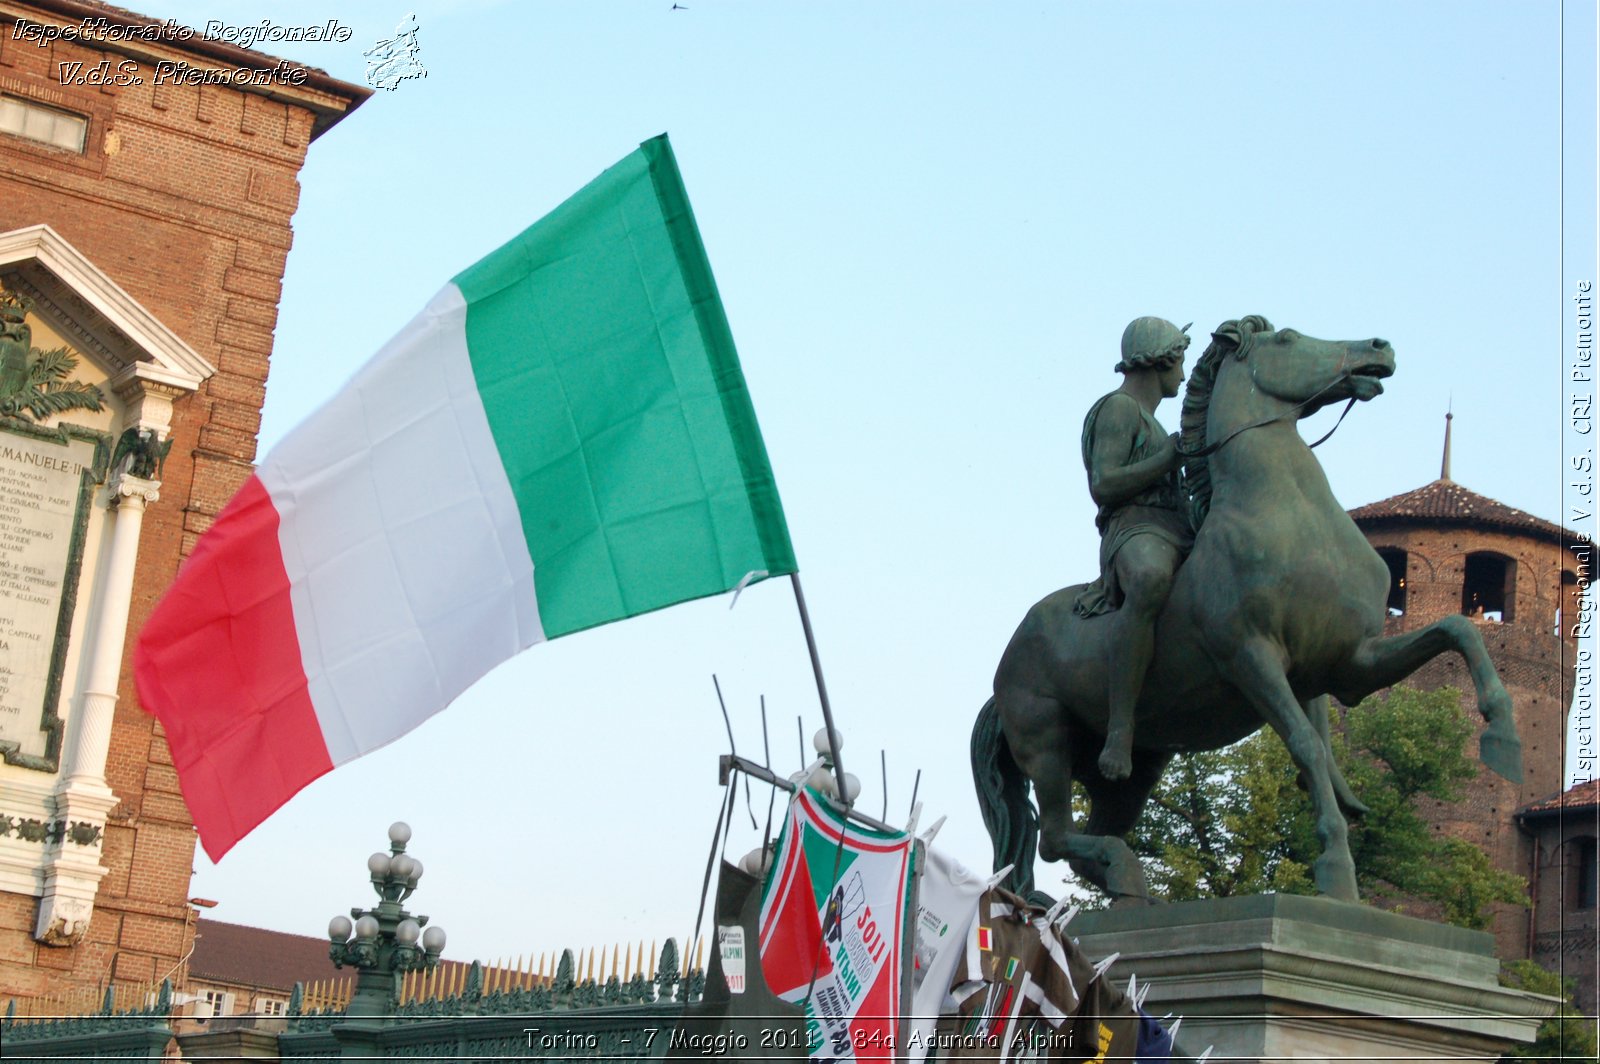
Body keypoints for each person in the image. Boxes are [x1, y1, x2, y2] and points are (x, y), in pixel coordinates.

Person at [1073, 316, 1195, 780]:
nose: (1182, 376)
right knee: (1149, 579)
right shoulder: (1119, 409)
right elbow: (1104, 483)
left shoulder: (1159, 426)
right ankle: (1120, 727)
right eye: (1179, 363)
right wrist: (1168, 459)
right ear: (1159, 359)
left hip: (1175, 527)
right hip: (1134, 528)